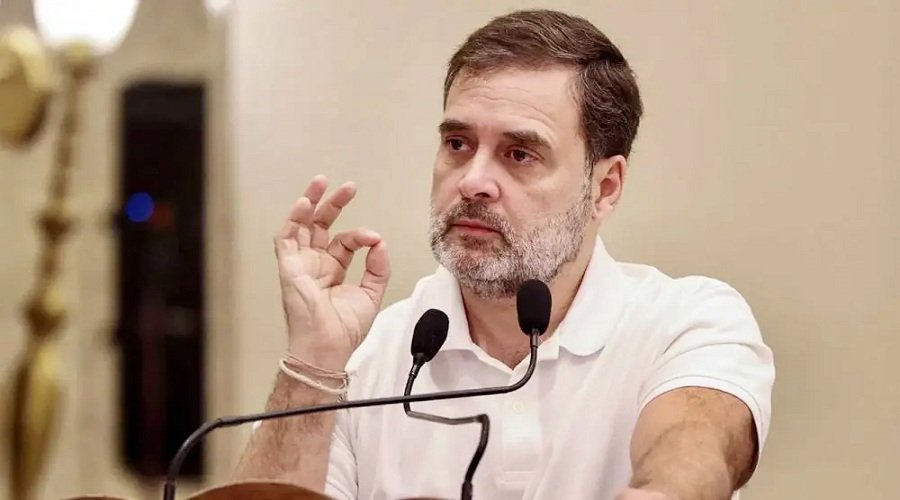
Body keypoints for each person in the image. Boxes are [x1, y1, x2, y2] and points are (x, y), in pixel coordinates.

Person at [234, 9, 775, 500]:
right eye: (458, 144)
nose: (473, 181)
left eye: (519, 153)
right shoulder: (362, 360)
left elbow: (695, 445)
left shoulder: (686, 321)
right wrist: (314, 359)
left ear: (605, 188)